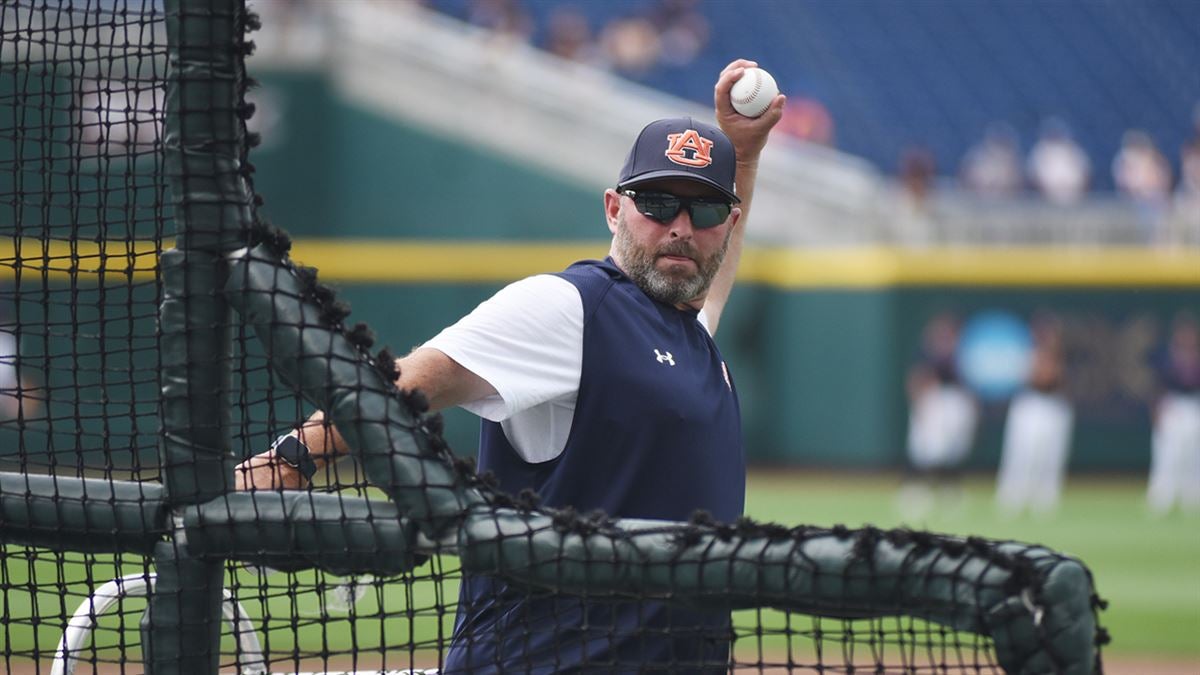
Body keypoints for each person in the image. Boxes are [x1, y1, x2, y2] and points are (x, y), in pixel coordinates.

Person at [236, 59, 785, 673]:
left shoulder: (689, 335)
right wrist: (291, 457)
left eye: (704, 211)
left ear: (729, 222)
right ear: (613, 208)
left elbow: (710, 281)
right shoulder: (570, 307)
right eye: (658, 203)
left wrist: (745, 156)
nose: (681, 228)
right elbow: (405, 383)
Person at [898, 312, 979, 521]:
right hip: (933, 400)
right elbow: (917, 379)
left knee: (951, 450)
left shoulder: (959, 354)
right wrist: (920, 404)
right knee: (925, 449)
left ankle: (949, 490)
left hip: (952, 402)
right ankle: (915, 490)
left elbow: (967, 385)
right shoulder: (926, 353)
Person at [995, 313, 1074, 516]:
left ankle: (1046, 498)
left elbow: (1056, 380)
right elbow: (1037, 378)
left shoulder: (1060, 355)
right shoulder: (1027, 353)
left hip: (1053, 405)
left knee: (1050, 455)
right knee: (1022, 453)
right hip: (1030, 404)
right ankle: (1013, 497)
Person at [1146, 312, 1200, 516]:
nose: (1187, 338)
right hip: (1173, 405)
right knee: (1168, 454)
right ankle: (1161, 498)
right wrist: (1156, 409)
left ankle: (1193, 499)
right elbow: (1156, 386)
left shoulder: (1196, 357)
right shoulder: (1167, 357)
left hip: (1193, 405)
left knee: (1194, 456)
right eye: (1183, 334)